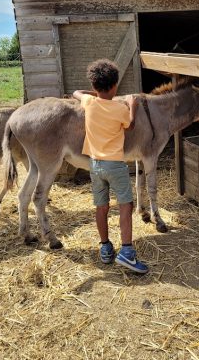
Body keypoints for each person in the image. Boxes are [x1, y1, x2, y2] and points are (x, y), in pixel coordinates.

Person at [73, 59, 148, 274]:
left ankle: (105, 247)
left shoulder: (88, 101)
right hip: (115, 164)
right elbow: (131, 126)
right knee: (125, 205)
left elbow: (76, 92)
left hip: (94, 165)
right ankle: (126, 252)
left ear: (95, 86)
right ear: (115, 86)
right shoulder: (119, 109)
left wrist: (94, 93)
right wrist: (132, 106)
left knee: (101, 207)